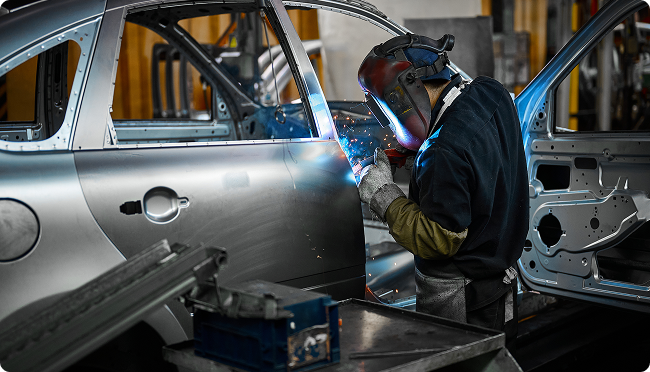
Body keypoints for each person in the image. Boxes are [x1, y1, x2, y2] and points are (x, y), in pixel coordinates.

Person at [357, 34, 529, 346]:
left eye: (389, 108)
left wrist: (382, 193)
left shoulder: (443, 151)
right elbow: (478, 159)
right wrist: (416, 153)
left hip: (464, 302)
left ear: (405, 94)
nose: (391, 124)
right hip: (498, 280)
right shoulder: (491, 92)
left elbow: (439, 239)